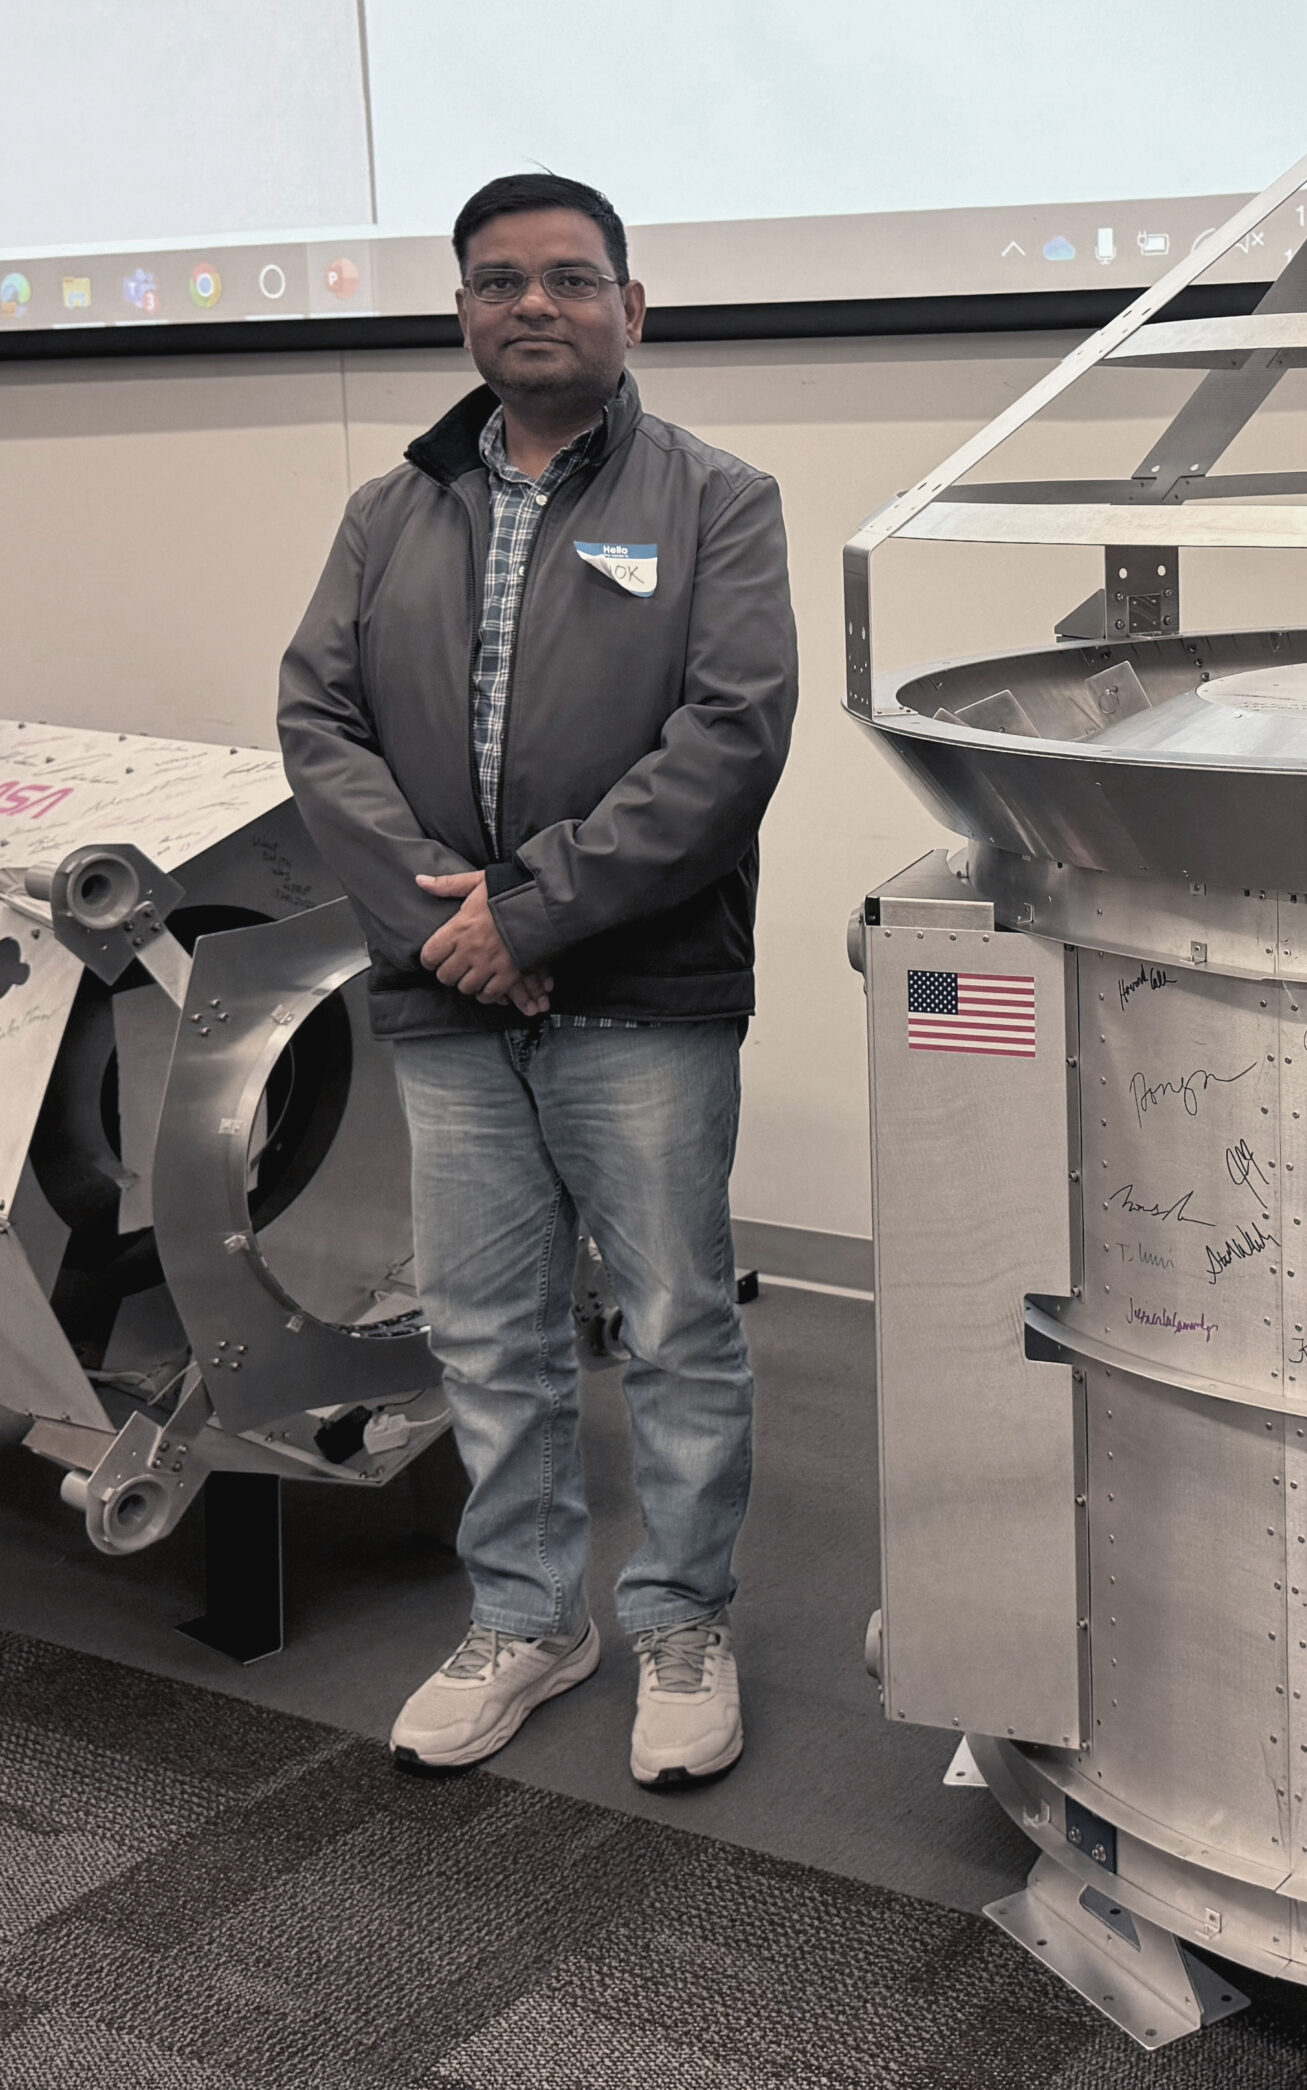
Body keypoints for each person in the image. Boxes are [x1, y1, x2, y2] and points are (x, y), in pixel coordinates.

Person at [277, 173, 796, 1788]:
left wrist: (535, 913)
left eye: (572, 278)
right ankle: (526, 1612)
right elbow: (319, 724)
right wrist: (451, 922)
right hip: (446, 993)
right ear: (463, 314)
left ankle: (680, 1617)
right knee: (489, 1332)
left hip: (642, 989)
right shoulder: (389, 512)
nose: (535, 305)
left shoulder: (719, 497)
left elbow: (730, 738)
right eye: (499, 282)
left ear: (632, 309)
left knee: (676, 1326)